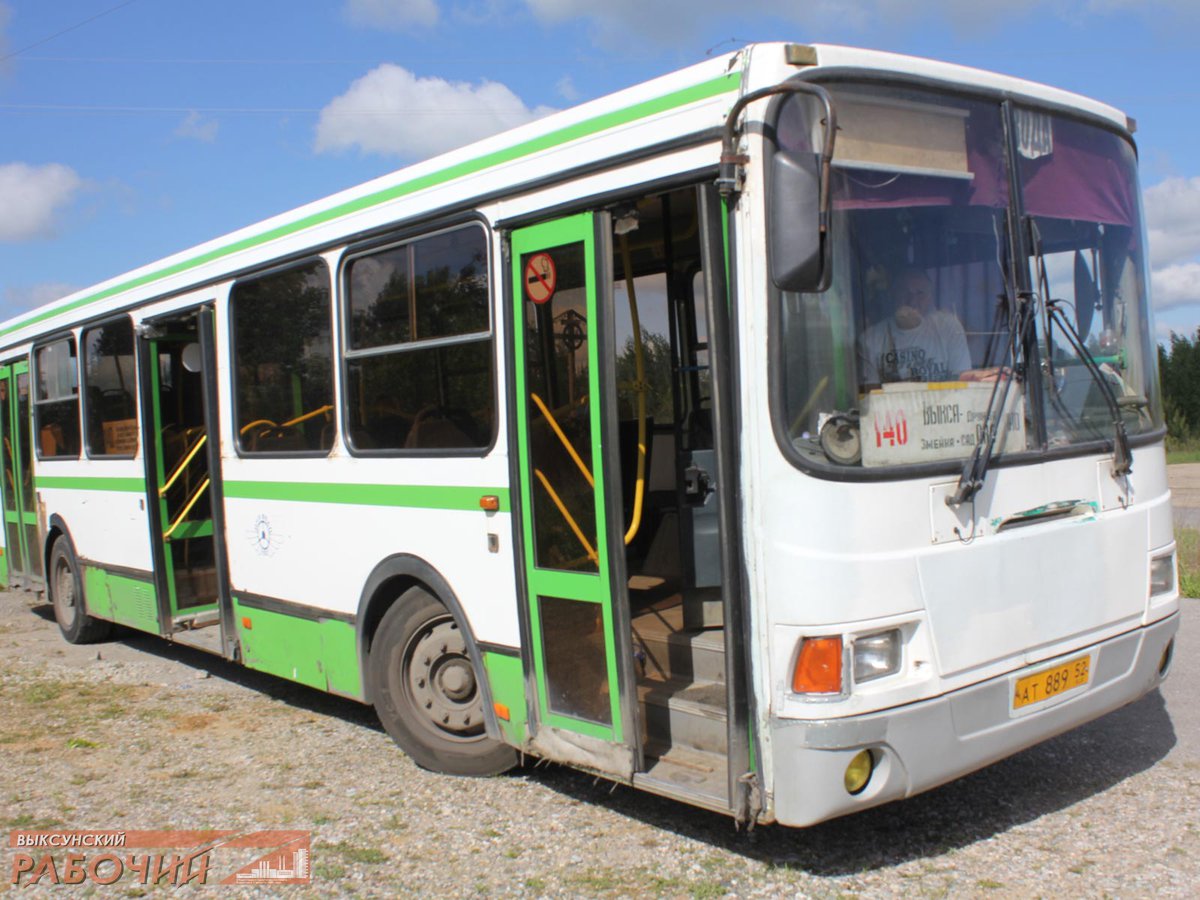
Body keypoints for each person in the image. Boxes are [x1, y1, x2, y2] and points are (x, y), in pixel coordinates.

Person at [858, 269, 992, 385]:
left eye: (920, 293)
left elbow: (962, 380)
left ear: (930, 297)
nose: (912, 300)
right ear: (893, 295)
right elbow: (871, 392)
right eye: (904, 292)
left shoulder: (948, 327)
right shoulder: (871, 339)